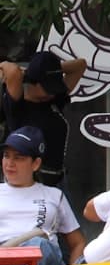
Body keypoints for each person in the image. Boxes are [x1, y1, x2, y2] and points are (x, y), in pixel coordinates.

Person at [0, 126, 84, 265]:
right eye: (6, 156)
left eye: (19, 158)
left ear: (35, 164)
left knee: (37, 244)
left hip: (45, 261)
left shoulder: (54, 195)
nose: (9, 163)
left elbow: (77, 243)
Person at [1, 50, 87, 194]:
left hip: (57, 182)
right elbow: (13, 72)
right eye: (48, 88)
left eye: (54, 87)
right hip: (29, 183)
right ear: (32, 81)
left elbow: (80, 65)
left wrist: (52, 70)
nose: (51, 93)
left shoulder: (55, 100)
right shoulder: (17, 107)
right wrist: (31, 71)